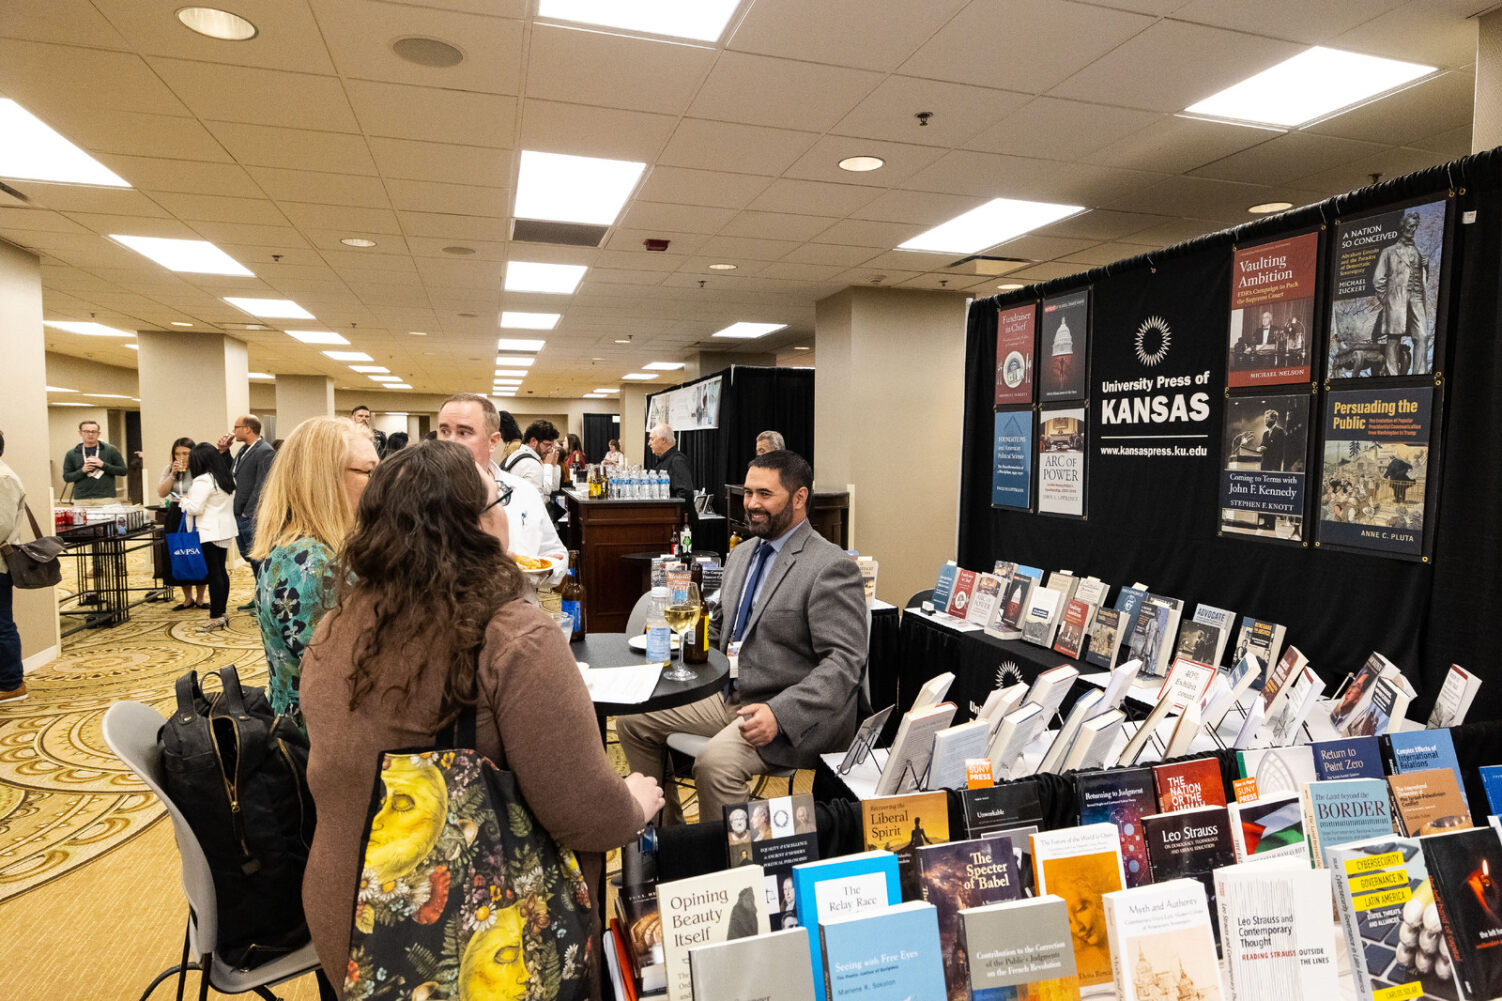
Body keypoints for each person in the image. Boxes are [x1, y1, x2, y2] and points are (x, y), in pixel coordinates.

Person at [297, 441, 663, 994]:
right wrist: (634, 803)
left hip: (344, 922)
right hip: (463, 934)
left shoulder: (336, 625)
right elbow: (585, 813)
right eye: (500, 501)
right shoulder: (510, 637)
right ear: (474, 526)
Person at [618, 450, 868, 824]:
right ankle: (671, 842)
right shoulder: (741, 554)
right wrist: (675, 645)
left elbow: (845, 664)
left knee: (715, 763)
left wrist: (780, 714)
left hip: (789, 713)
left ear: (799, 498)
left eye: (765, 494)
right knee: (633, 720)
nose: (752, 503)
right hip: (730, 695)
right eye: (749, 493)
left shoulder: (829, 566)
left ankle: (730, 875)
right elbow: (720, 628)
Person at [251, 417, 378, 720]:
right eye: (369, 472)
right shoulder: (309, 566)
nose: (380, 483)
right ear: (324, 480)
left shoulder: (317, 550)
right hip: (317, 741)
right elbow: (351, 676)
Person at [437, 394, 567, 587]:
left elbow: (555, 552)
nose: (451, 442)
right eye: (445, 431)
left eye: (464, 433)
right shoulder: (419, 493)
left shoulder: (523, 491)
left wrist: (545, 568)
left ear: (493, 441)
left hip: (517, 606)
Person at [218, 415, 274, 609]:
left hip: (250, 515)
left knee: (259, 558)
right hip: (237, 511)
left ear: (248, 429)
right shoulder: (245, 449)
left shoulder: (265, 451)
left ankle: (265, 600)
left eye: (236, 427)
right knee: (249, 557)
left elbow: (263, 485)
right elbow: (235, 473)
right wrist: (224, 452)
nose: (233, 431)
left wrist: (247, 512)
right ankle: (259, 596)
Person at [180, 443, 237, 631]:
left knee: (214, 573)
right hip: (224, 529)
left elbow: (196, 508)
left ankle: (215, 616)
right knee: (220, 571)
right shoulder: (224, 477)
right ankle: (221, 612)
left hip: (209, 530)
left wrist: (184, 502)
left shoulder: (203, 481)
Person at [1373, 210, 1431, 376]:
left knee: (1422, 336)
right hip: (1396, 300)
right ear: (1402, 227)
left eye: (1415, 227)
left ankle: (1419, 375)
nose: (1412, 230)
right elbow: (1378, 280)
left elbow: (1423, 280)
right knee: (1394, 337)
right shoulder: (1389, 252)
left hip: (1417, 298)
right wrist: (1388, 301)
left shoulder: (1419, 252)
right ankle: (1392, 374)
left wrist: (1426, 266)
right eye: (1410, 226)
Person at [156, 437, 206, 610]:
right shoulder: (169, 469)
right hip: (176, 513)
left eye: (185, 453)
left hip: (195, 512)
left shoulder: (200, 469)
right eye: (177, 453)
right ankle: (187, 598)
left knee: (197, 552)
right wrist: (172, 474)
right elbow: (162, 493)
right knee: (180, 552)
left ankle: (200, 597)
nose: (181, 457)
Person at [0, 430, 28, 703]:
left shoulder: (3, 478)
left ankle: (12, 684)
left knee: (1, 624)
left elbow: (2, 525)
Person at [61, 419, 127, 506]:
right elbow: (67, 477)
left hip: (105, 498)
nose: (90, 434)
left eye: (94, 431)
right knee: (82, 520)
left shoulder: (110, 450)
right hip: (81, 499)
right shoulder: (72, 453)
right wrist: (82, 471)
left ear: (98, 433)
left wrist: (103, 465)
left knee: (107, 520)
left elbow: (123, 471)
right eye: (86, 431)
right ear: (80, 433)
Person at [502, 418, 561, 497]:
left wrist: (552, 465)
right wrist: (547, 465)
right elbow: (538, 501)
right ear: (533, 442)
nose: (550, 450)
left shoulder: (516, 454)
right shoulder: (532, 464)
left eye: (552, 446)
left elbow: (553, 487)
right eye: (547, 445)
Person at [1256, 409, 1288, 530]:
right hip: (1264, 467)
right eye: (1265, 417)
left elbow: (1280, 451)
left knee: (1271, 496)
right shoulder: (1265, 433)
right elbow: (1261, 445)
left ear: (1274, 419)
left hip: (1273, 468)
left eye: (1268, 417)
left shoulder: (1280, 432)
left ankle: (1271, 524)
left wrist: (1276, 469)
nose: (1265, 419)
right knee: (1265, 496)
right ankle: (1266, 521)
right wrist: (1260, 448)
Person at [647, 424, 694, 503]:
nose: (649, 443)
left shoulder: (677, 461)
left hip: (675, 514)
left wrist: (670, 510)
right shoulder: (662, 461)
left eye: (652, 439)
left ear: (663, 440)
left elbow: (685, 493)